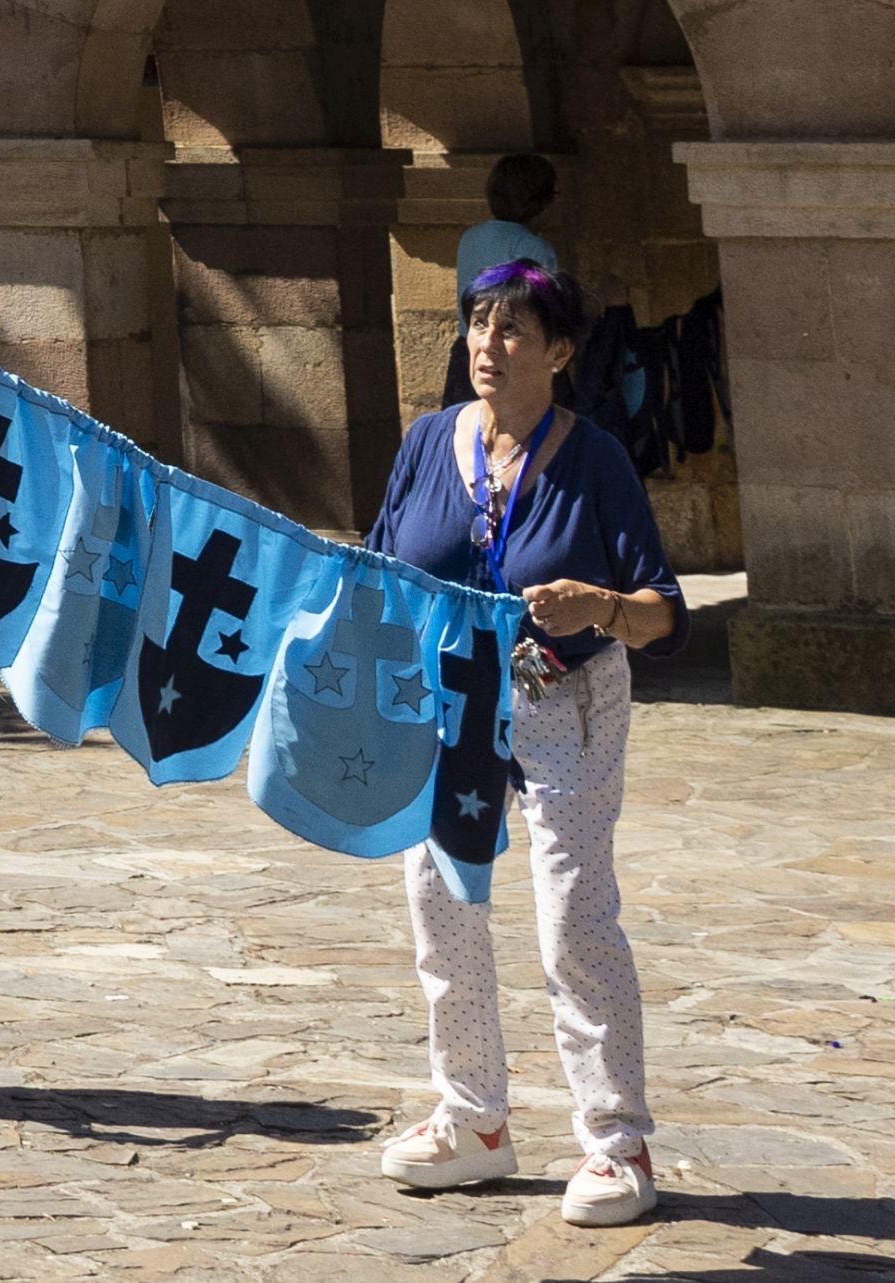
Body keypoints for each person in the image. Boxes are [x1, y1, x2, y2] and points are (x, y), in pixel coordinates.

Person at [366, 259, 689, 1227]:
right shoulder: (428, 442)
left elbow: (664, 611)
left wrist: (601, 604)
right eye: (477, 325)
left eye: (512, 330)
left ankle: (617, 1140)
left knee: (572, 914)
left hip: (564, 698)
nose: (487, 345)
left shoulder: (595, 462)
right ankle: (474, 1119)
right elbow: (381, 561)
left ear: (559, 350)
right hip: (448, 695)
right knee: (439, 895)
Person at [443, 154, 561, 409]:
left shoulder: (470, 237)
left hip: (468, 353)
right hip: (512, 358)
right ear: (542, 201)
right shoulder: (534, 246)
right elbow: (548, 313)